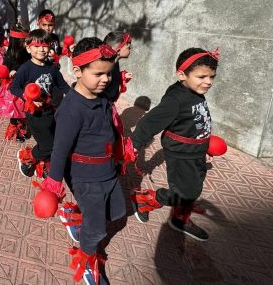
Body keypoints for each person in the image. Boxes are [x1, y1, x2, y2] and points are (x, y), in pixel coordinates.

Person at [41, 37, 123, 285]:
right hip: (85, 176)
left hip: (107, 168)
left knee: (115, 211)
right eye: (99, 74)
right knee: (97, 230)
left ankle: (79, 216)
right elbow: (59, 149)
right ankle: (87, 259)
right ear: (77, 71)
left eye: (108, 74)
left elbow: (113, 87)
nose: (106, 80)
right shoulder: (71, 110)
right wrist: (53, 185)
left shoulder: (101, 95)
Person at [130, 47, 219, 241]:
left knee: (195, 187)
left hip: (196, 151)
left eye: (212, 76)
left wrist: (203, 144)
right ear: (182, 75)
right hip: (180, 153)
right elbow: (149, 122)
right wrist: (134, 145)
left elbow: (196, 121)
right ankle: (145, 199)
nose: (208, 82)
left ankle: (180, 218)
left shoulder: (194, 91)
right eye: (202, 76)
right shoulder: (175, 99)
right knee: (184, 193)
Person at [10, 29, 71, 178]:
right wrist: (27, 97)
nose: (42, 49)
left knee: (55, 140)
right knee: (47, 145)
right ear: (28, 48)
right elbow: (14, 88)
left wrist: (76, 97)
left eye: (45, 46)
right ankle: (27, 158)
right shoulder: (25, 69)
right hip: (34, 115)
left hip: (51, 111)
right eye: (37, 46)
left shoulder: (52, 67)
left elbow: (63, 85)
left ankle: (46, 164)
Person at [0, 24, 31, 142]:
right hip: (14, 88)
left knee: (24, 108)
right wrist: (8, 71)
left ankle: (22, 124)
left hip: (26, 85)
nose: (27, 43)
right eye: (25, 41)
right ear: (16, 42)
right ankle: (15, 128)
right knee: (15, 110)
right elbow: (3, 70)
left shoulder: (28, 53)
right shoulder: (10, 56)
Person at [103, 32, 133, 102]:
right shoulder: (107, 68)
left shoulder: (115, 62)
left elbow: (113, 78)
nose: (130, 48)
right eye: (128, 47)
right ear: (118, 51)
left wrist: (122, 76)